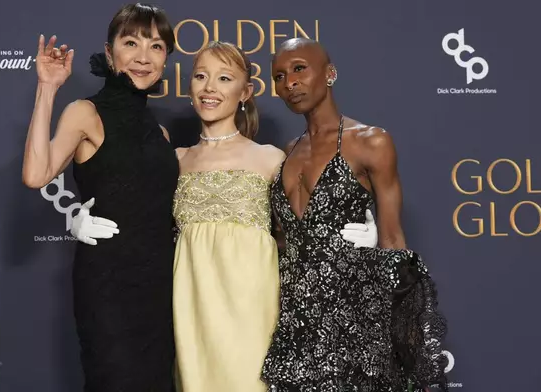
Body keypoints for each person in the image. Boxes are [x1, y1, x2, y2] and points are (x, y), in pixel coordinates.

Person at [69, 41, 379, 391]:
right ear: (190, 88)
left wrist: (361, 234)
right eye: (201, 76)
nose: (210, 88)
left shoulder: (271, 159)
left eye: (224, 78)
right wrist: (77, 217)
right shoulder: (173, 161)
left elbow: (303, 233)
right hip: (190, 311)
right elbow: (135, 215)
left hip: (253, 309)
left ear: (245, 92)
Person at [259, 37, 448, 392]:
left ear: (330, 74)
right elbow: (283, 242)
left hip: (355, 318)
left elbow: (393, 239)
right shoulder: (287, 152)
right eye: (280, 76)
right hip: (295, 320)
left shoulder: (371, 142)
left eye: (300, 69)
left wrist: (401, 342)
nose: (290, 83)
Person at [21, 3, 179, 391]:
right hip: (108, 285)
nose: (143, 57)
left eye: (156, 47)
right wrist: (47, 87)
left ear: (165, 60)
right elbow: (36, 174)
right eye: (131, 43)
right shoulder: (85, 113)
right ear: (110, 54)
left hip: (160, 287)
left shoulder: (160, 135)